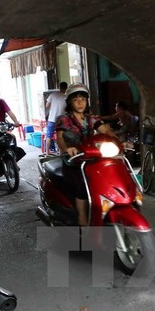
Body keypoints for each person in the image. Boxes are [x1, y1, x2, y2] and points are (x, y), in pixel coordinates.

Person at [55, 83, 115, 226]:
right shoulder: (64, 119)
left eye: (83, 99)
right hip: (73, 160)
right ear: (69, 102)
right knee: (83, 183)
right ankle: (82, 217)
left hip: (91, 158)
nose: (80, 102)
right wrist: (66, 149)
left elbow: (106, 131)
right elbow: (60, 138)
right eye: (76, 99)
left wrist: (119, 142)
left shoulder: (91, 118)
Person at [44, 81, 68, 153]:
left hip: (51, 119)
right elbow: (67, 109)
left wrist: (53, 108)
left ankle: (47, 152)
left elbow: (47, 106)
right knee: (60, 136)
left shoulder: (52, 95)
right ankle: (61, 151)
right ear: (66, 88)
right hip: (61, 120)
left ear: (59, 87)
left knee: (49, 136)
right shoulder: (66, 98)